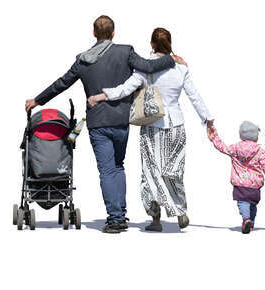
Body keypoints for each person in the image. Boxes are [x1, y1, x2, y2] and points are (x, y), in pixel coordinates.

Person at [25, 16, 186, 234]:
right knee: (118, 167)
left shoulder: (83, 60)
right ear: (113, 33)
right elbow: (148, 66)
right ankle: (120, 212)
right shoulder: (125, 51)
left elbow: (62, 83)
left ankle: (116, 218)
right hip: (121, 121)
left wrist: (37, 100)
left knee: (107, 170)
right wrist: (171, 59)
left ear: (93, 33)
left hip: (98, 122)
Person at [88, 28, 214, 232]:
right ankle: (180, 211)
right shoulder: (180, 68)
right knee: (174, 171)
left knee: (151, 173)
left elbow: (125, 89)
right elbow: (194, 96)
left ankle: (156, 221)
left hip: (152, 126)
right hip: (177, 126)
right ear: (170, 42)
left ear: (152, 44)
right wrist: (208, 121)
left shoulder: (144, 68)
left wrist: (101, 96)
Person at [207, 121, 265, 234]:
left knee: (242, 202)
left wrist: (214, 137)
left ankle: (246, 219)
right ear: (256, 137)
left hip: (240, 183)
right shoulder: (260, 151)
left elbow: (222, 147)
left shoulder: (235, 148)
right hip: (255, 185)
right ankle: (251, 222)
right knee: (252, 204)